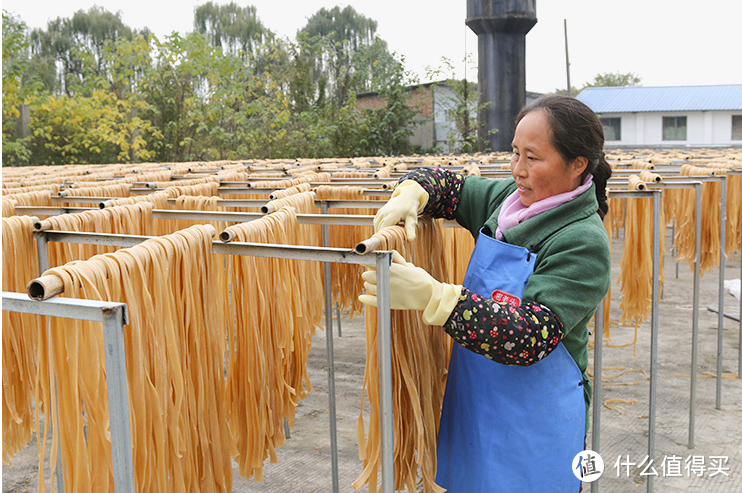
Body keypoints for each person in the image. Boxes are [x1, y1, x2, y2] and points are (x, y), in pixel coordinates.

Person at [359, 94, 612, 492]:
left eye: (533, 157)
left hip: (535, 420)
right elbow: (451, 186)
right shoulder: (507, 203)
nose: (518, 170)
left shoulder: (582, 241)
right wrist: (413, 191)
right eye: (514, 153)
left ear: (578, 164)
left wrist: (435, 299)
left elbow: (530, 336)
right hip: (477, 402)